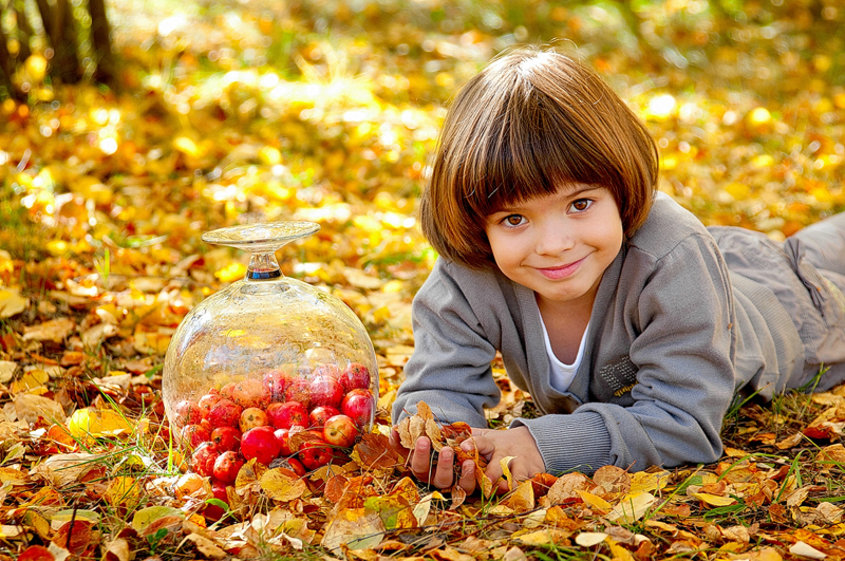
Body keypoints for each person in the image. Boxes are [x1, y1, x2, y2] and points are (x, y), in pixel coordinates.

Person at [390, 46, 845, 494]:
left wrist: (539, 444)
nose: (554, 245)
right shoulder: (469, 272)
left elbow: (683, 421)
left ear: (622, 188)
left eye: (580, 204)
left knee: (812, 256)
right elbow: (435, 387)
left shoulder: (674, 255)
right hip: (718, 260)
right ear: (477, 222)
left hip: (794, 307)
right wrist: (448, 445)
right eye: (514, 218)